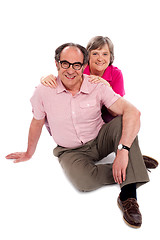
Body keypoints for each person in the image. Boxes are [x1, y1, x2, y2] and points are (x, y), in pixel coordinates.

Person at [6, 43, 155, 228]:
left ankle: (128, 196)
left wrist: (123, 151)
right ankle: (134, 163)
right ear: (57, 63)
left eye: (76, 64)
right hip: (70, 151)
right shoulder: (43, 91)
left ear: (83, 65)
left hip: (101, 139)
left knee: (125, 122)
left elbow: (133, 112)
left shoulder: (96, 85)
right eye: (65, 63)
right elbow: (37, 121)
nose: (70, 70)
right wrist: (29, 153)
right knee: (84, 182)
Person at [40, 36, 158, 168]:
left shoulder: (116, 74)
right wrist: (46, 77)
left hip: (107, 119)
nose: (100, 58)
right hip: (84, 120)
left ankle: (131, 158)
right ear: (87, 56)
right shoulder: (81, 70)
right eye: (95, 53)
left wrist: (105, 87)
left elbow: (115, 111)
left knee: (127, 119)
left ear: (110, 57)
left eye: (105, 54)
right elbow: (63, 78)